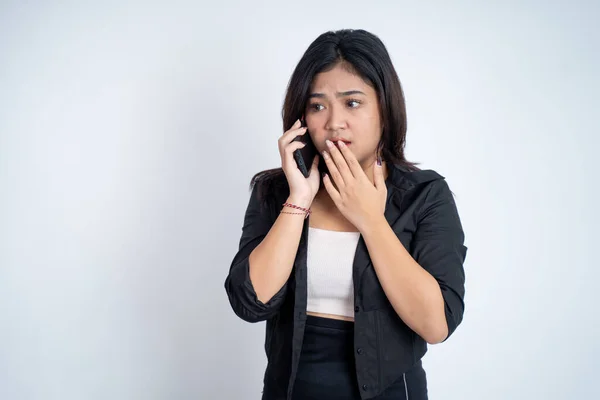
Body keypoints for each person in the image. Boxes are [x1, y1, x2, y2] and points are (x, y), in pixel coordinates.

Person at [224, 29, 468, 400]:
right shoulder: (275, 192)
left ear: (385, 109)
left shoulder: (424, 195)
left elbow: (436, 325)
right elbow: (250, 303)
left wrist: (370, 218)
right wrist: (300, 198)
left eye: (352, 103)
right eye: (317, 105)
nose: (334, 122)